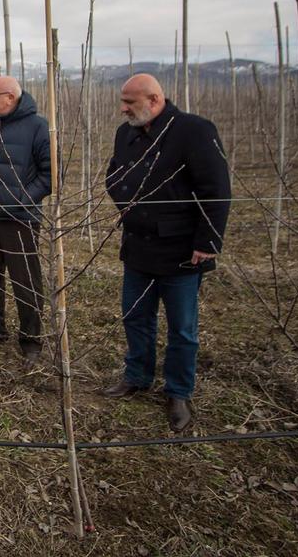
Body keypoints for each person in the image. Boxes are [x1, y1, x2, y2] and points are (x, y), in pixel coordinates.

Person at [102, 73, 230, 432]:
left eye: (130, 102)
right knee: (135, 316)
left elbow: (216, 190)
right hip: (138, 245)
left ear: (155, 100)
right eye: (123, 100)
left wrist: (207, 243)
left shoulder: (194, 130)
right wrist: (128, 205)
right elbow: (114, 176)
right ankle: (137, 376)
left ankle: (178, 392)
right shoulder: (125, 133)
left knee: (182, 328)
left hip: (181, 251)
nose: (123, 108)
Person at [0, 76, 51, 363]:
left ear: (9, 98)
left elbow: (50, 174)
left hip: (20, 220)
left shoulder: (39, 128)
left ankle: (31, 340)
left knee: (25, 280)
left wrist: (22, 199)